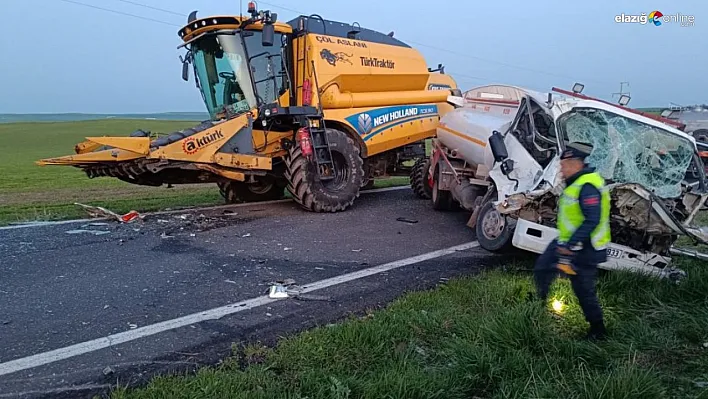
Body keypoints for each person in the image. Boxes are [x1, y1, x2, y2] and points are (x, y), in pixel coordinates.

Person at [533, 141, 611, 340]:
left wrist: (571, 245)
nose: (561, 168)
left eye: (564, 164)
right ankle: (536, 305)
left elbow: (592, 219)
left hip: (586, 247)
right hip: (568, 241)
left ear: (576, 163)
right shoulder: (576, 183)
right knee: (542, 268)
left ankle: (598, 330)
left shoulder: (587, 186)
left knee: (583, 289)